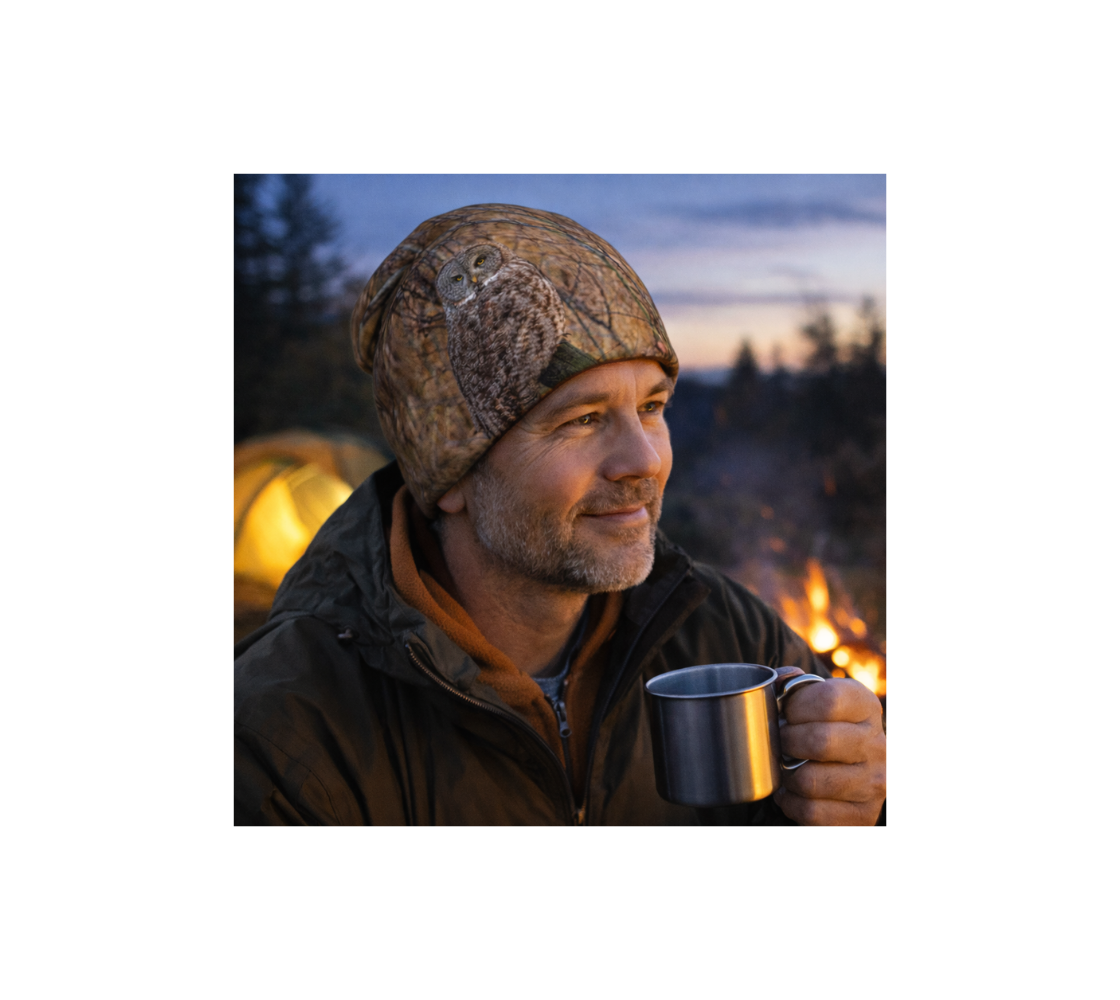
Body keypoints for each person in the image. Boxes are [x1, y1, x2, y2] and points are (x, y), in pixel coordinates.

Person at [233, 204, 887, 826]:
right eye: (582, 420)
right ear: (452, 477)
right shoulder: (284, 731)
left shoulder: (727, 636)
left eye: (652, 407)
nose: (644, 461)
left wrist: (852, 790)